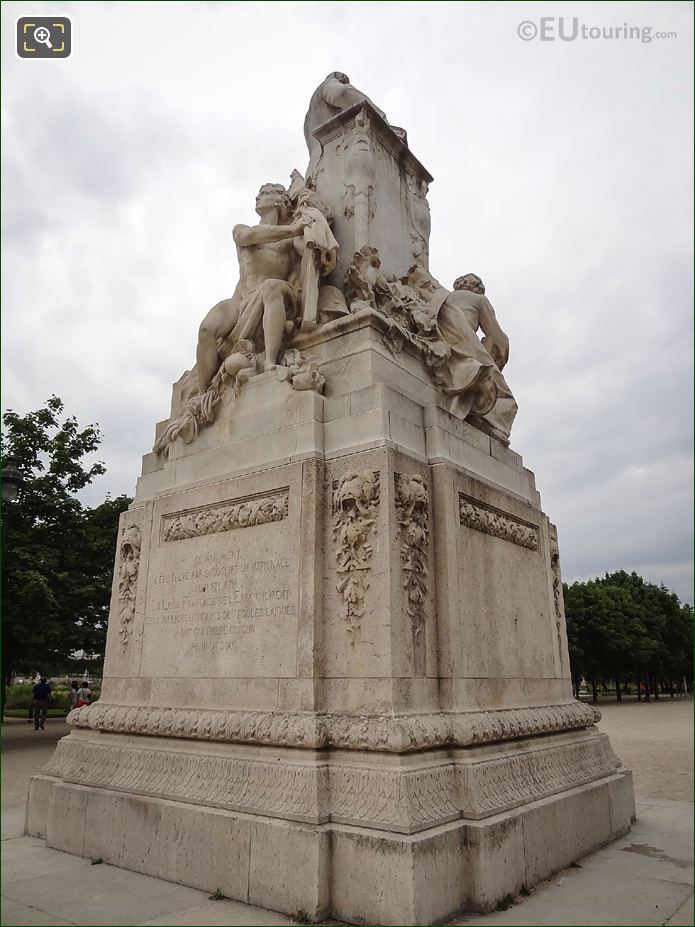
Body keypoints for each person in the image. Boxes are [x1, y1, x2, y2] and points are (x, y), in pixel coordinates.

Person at [195, 183, 310, 393]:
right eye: (259, 194)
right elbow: (247, 237)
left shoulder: (290, 241)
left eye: (264, 194)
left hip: (273, 295)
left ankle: (270, 362)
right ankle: (205, 395)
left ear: (279, 201)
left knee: (270, 286)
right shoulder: (242, 229)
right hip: (239, 300)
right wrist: (293, 228)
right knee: (206, 328)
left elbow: (308, 251)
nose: (257, 197)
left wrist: (310, 220)